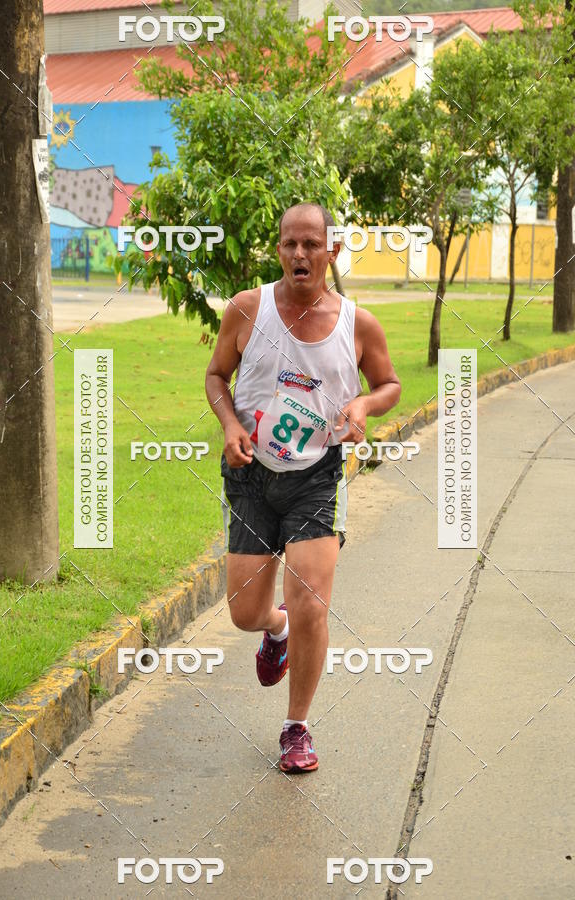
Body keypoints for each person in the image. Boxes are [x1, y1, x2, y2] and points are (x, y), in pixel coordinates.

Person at [205, 202, 401, 772]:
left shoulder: (357, 324)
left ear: (331, 252)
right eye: (290, 243)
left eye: (311, 244)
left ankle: (297, 727)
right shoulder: (247, 309)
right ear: (278, 250)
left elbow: (388, 383)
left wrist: (364, 402)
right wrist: (232, 424)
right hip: (250, 474)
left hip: (317, 476)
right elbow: (217, 375)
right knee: (245, 612)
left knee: (312, 598)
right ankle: (276, 628)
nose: (299, 254)